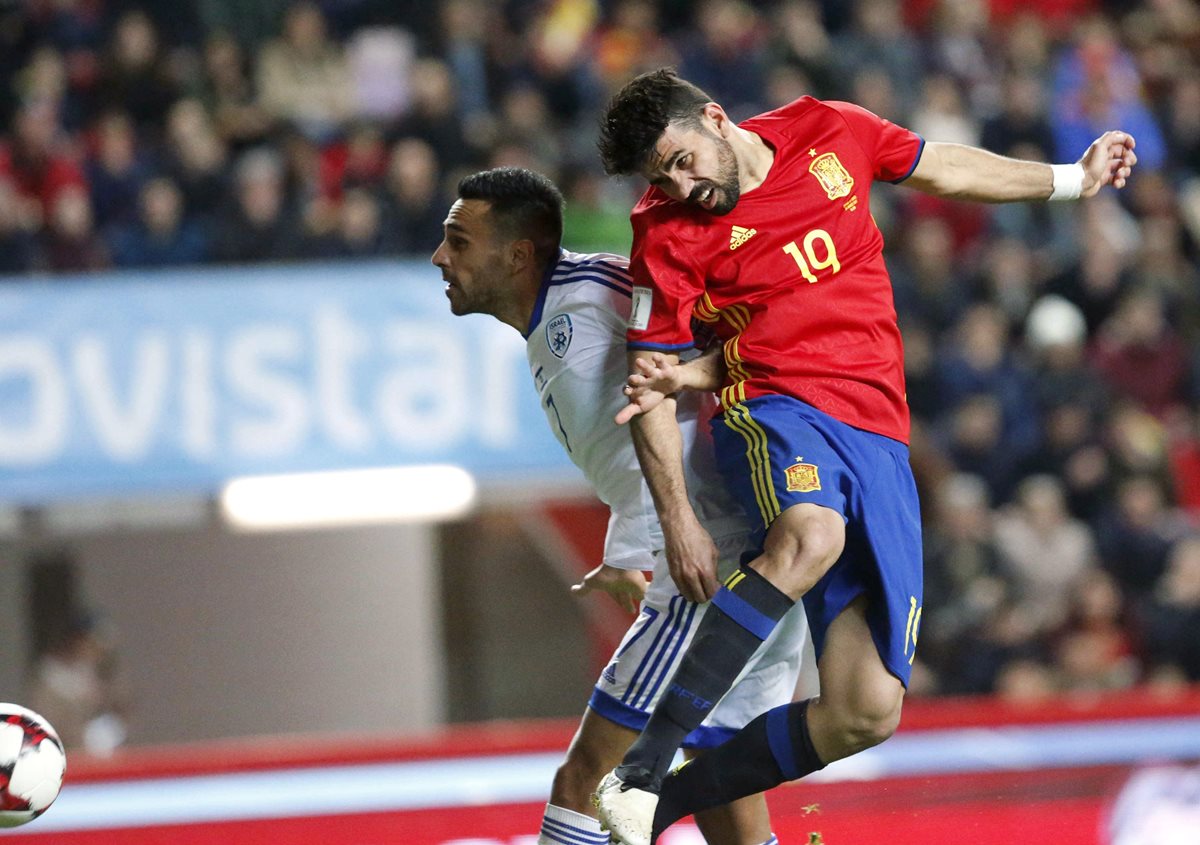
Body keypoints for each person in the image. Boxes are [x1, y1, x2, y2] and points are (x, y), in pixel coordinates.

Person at [592, 67, 1138, 845]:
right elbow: (649, 382)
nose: (680, 187)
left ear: (716, 119)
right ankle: (643, 765)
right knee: (812, 534)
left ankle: (651, 809)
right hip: (776, 407)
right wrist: (676, 519)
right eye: (661, 178)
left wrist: (1069, 180)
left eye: (682, 160)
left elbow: (944, 164)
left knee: (865, 710)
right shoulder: (664, 233)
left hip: (879, 430)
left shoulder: (829, 130)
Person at [430, 167, 813, 845]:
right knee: (717, 773)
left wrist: (647, 543)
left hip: (706, 563)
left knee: (586, 782)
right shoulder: (561, 316)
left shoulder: (597, 302)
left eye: (459, 242)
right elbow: (639, 435)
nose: (441, 257)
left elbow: (700, 382)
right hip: (726, 552)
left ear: (517, 254)